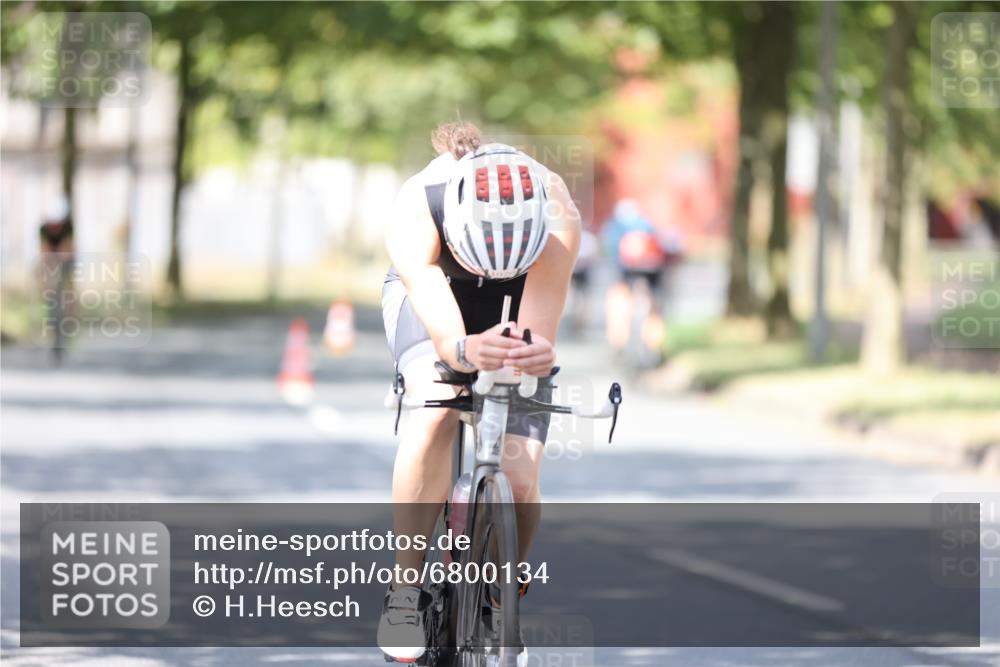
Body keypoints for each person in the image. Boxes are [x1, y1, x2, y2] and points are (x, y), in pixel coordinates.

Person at [378, 122, 581, 662]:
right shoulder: (419, 205)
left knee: (517, 480)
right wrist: (464, 352)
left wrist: (533, 352)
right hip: (436, 293)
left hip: (517, 298)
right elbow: (441, 327)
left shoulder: (557, 212)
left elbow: (539, 330)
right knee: (434, 411)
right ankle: (404, 589)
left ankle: (500, 582)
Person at [601, 198, 682, 366]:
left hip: (626, 272)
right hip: (652, 271)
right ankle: (655, 345)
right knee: (654, 308)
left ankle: (619, 342)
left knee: (619, 301)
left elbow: (610, 253)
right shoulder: (647, 225)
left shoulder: (614, 228)